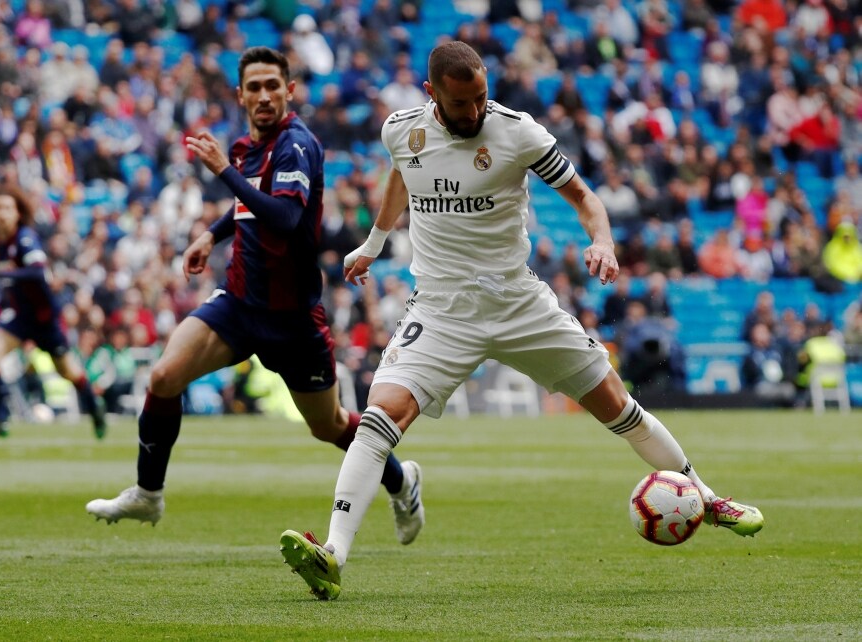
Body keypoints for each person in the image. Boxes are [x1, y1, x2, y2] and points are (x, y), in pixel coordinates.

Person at [280, 41, 764, 601]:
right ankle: (333, 553)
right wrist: (374, 242)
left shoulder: (517, 132)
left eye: (481, 98)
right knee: (378, 417)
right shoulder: (401, 130)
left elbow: (582, 196)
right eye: (461, 103)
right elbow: (400, 175)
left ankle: (706, 497)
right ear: (432, 94)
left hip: (518, 303)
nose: (474, 112)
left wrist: (601, 240)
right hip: (441, 307)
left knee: (618, 407)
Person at [85, 47, 424, 546]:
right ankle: (148, 492)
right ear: (240, 94)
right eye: (254, 87)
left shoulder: (298, 145)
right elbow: (249, 203)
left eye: (273, 85)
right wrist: (212, 235)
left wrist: (223, 170)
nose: (263, 95)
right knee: (163, 376)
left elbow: (284, 218)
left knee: (328, 426)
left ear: (289, 90)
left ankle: (403, 482)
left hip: (292, 319)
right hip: (240, 304)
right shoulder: (246, 146)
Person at [0, 185, 106, 438]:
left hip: (44, 319)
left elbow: (37, 272)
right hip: (19, 316)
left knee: (67, 371)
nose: (1, 214)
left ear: (18, 213)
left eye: (7, 208)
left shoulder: (25, 238)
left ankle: (94, 407)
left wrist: (5, 272)